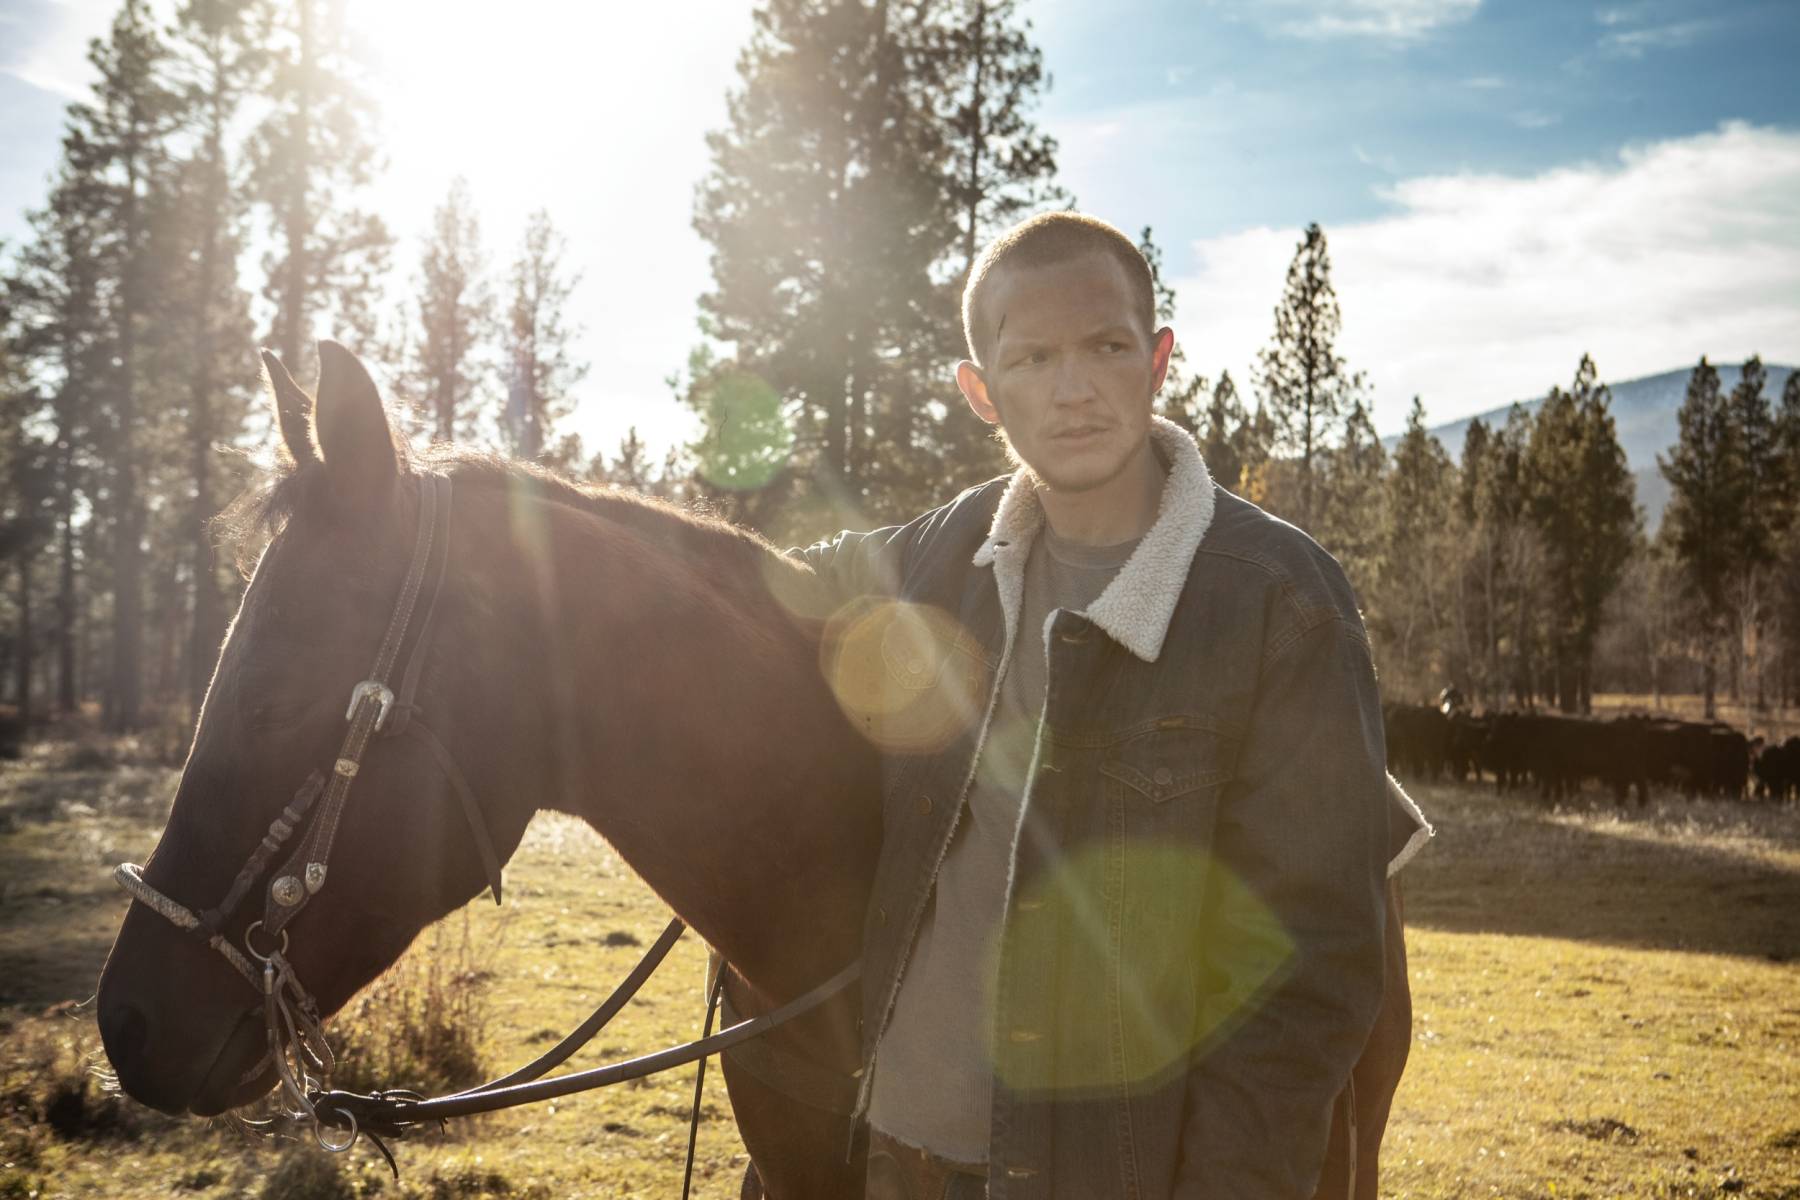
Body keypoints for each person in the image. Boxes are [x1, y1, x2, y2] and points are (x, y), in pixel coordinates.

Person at [801, 212, 1430, 1199]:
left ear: (1159, 361)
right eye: (1033, 358)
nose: (1074, 385)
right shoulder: (946, 551)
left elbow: (1312, 974)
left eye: (1106, 346)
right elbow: (765, 583)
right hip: (900, 1155)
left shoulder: (1277, 596)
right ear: (981, 393)